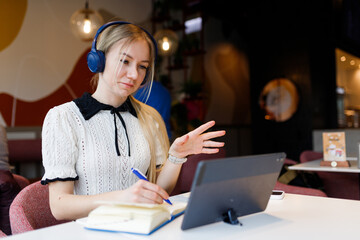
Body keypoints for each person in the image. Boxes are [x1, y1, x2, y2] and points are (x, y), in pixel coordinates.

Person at [41, 21, 225, 221]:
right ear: (98, 61)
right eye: (125, 61)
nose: (134, 75)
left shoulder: (149, 117)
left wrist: (175, 156)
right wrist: (123, 197)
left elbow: (158, 191)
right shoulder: (63, 117)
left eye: (142, 66)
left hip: (141, 228)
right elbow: (59, 206)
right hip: (91, 231)